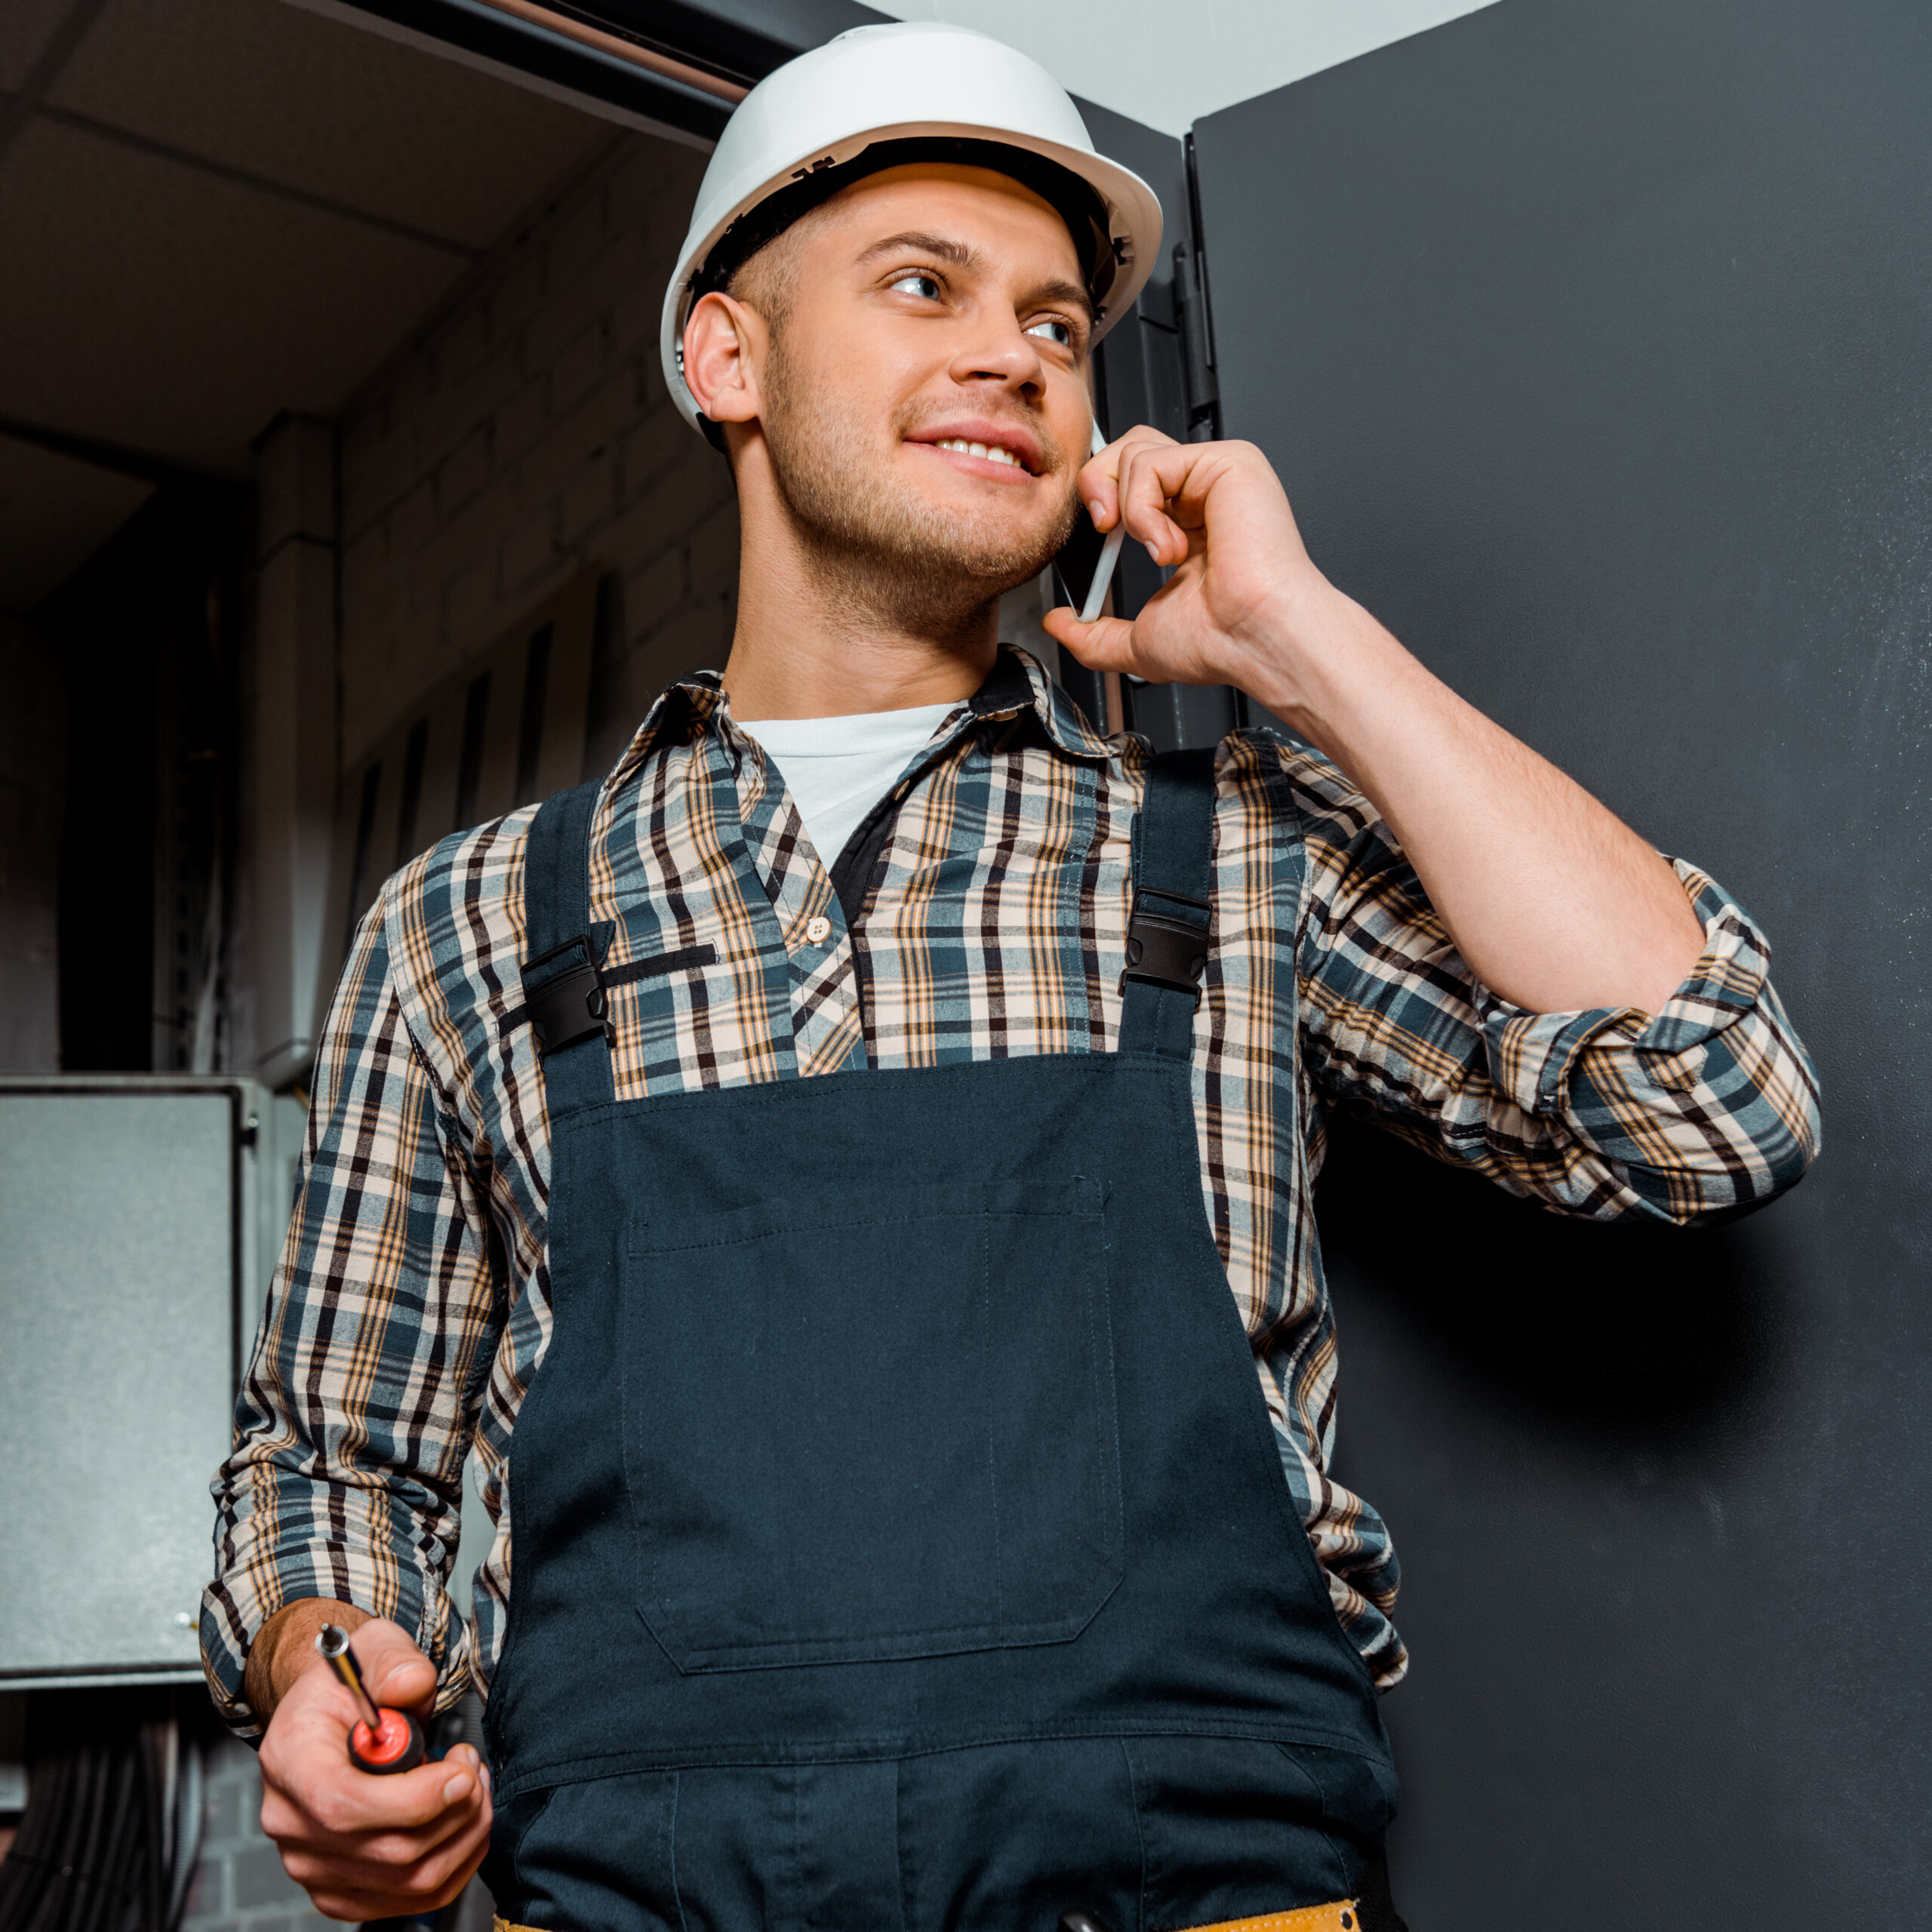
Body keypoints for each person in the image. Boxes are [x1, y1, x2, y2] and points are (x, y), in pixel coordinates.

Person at [202, 23, 1819, 1932]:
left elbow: (1708, 1101)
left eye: (1059, 328)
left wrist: (1302, 644)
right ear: (725, 356)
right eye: (923, 288)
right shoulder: (470, 920)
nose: (1016, 358)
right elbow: (337, 1464)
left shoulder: (1228, 844)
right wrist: (322, 1671)